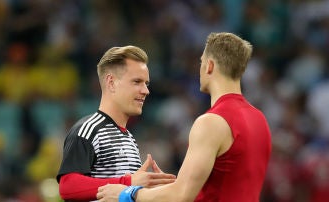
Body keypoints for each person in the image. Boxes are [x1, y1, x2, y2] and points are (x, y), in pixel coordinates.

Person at [96, 32, 272, 202]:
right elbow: (229, 186)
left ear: (209, 66)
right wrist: (171, 186)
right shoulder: (260, 119)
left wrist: (127, 194)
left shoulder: (211, 122)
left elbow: (182, 196)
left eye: (201, 62)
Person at [56, 45, 176, 201]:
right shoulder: (88, 129)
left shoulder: (129, 138)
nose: (146, 90)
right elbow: (67, 186)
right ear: (111, 82)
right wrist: (129, 182)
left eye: (146, 83)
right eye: (137, 82)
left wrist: (152, 190)